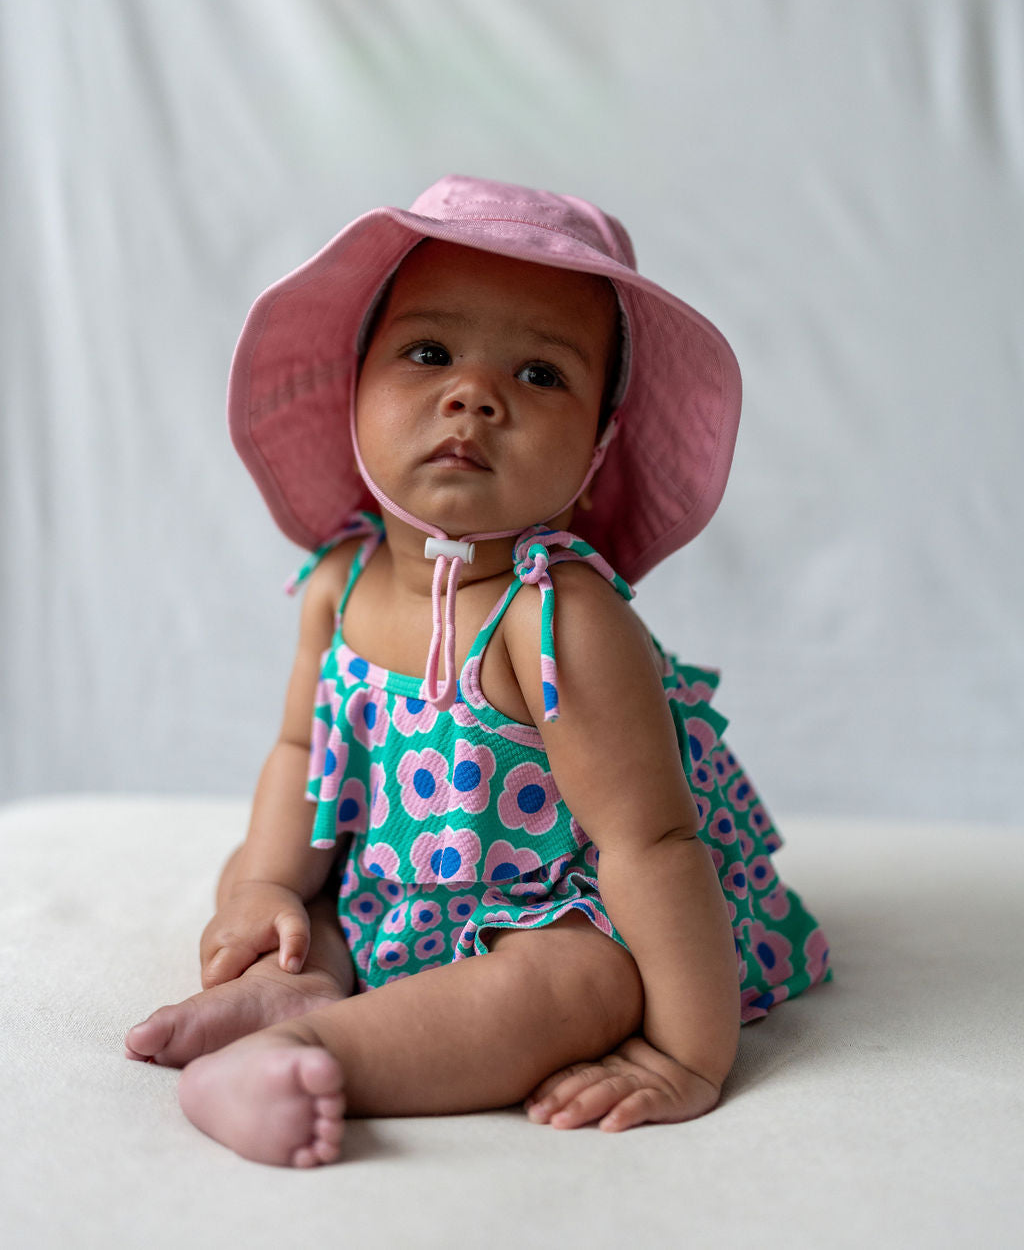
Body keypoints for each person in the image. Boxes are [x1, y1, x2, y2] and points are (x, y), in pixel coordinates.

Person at [126, 174, 830, 1168]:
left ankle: (309, 1049)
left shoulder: (554, 617)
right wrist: (269, 889)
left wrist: (686, 1053)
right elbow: (300, 751)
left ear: (597, 454)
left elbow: (652, 843)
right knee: (261, 875)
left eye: (541, 374)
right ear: (353, 390)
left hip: (562, 908)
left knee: (582, 985)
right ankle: (292, 977)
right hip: (395, 884)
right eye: (427, 353)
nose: (473, 395)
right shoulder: (342, 577)